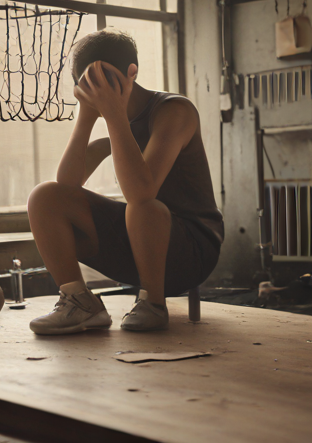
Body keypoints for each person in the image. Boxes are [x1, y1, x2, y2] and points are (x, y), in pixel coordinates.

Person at [27, 29, 223, 335]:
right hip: (138, 245)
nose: (100, 91)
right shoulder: (114, 123)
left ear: (131, 74)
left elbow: (141, 192)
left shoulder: (174, 111)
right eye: (89, 85)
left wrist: (114, 114)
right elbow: (65, 186)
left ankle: (153, 304)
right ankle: (79, 302)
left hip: (193, 250)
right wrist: (87, 115)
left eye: (106, 82)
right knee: (44, 196)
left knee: (143, 206)